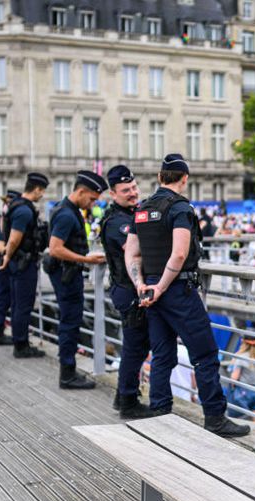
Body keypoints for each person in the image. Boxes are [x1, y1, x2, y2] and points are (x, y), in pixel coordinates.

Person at [125, 153, 249, 437]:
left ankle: (159, 410)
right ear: (185, 179)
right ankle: (215, 417)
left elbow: (131, 253)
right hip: (176, 288)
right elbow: (180, 252)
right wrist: (163, 286)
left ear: (159, 178)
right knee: (204, 353)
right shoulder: (180, 208)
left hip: (150, 289)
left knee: (161, 353)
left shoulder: (142, 208)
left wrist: (143, 285)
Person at [100, 164, 154, 417]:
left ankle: (122, 397)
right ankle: (129, 403)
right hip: (127, 290)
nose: (133, 193)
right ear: (113, 194)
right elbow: (134, 252)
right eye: (126, 190)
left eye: (134, 187)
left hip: (128, 289)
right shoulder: (118, 222)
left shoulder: (130, 215)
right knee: (134, 347)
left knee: (138, 346)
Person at [47, 170, 108, 390]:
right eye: (91, 198)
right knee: (70, 323)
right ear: (81, 191)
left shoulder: (66, 209)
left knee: (70, 322)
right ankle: (67, 375)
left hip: (67, 273)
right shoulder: (66, 214)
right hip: (67, 275)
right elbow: (55, 249)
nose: (93, 204)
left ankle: (68, 372)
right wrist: (85, 259)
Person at [1, 172, 49, 359]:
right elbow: (13, 239)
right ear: (36, 189)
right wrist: (7, 256)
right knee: (23, 305)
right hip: (23, 263)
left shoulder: (15, 205)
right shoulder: (24, 210)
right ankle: (21, 345)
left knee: (17, 304)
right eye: (42, 191)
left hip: (18, 262)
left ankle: (19, 342)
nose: (42, 195)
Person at [0, 190, 19, 345]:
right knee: (2, 298)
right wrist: (14, 246)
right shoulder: (3, 221)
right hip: (2, 264)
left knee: (0, 297)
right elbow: (0, 247)